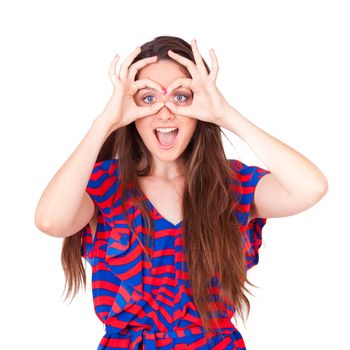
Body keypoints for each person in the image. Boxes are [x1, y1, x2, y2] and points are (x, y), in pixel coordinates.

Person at [34, 35, 328, 349]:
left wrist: (225, 114)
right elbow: (51, 221)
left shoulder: (232, 184)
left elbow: (310, 188)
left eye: (181, 97)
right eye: (148, 98)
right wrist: (106, 121)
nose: (164, 112)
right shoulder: (104, 185)